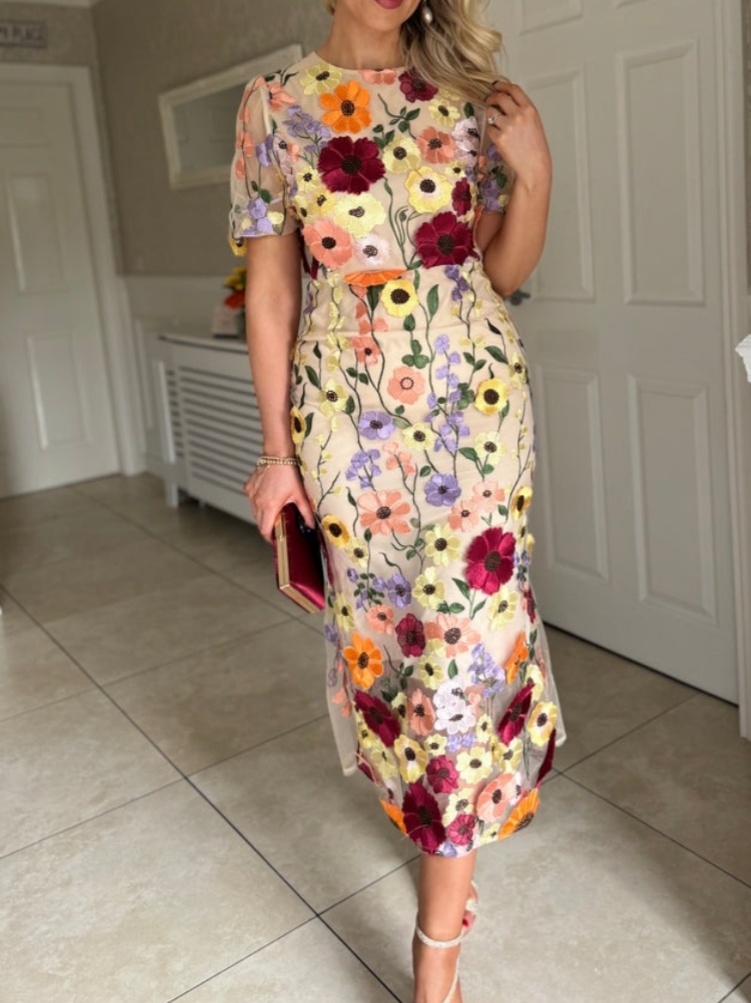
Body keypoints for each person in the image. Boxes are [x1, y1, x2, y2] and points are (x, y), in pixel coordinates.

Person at [230, 1, 567, 1000]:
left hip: (476, 413)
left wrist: (536, 173)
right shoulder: (275, 106)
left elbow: (499, 271)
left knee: (464, 652)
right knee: (388, 650)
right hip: (346, 425)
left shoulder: (473, 101)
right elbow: (272, 293)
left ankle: (434, 958)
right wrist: (277, 453)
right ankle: (444, 839)